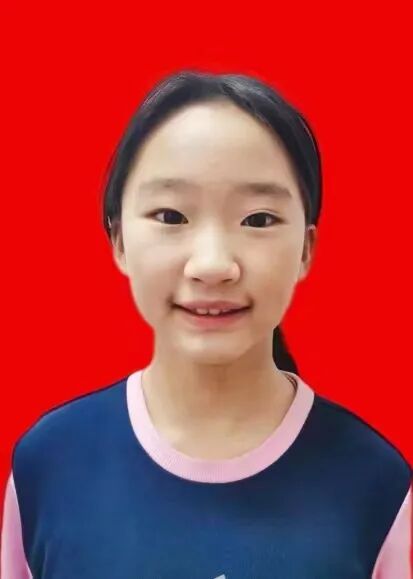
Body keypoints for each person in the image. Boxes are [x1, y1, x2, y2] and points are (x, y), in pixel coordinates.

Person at [1, 69, 411, 578]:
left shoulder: (376, 484)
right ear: (119, 239)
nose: (213, 264)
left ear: (306, 249)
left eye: (258, 219)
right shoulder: (48, 464)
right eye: (171, 216)